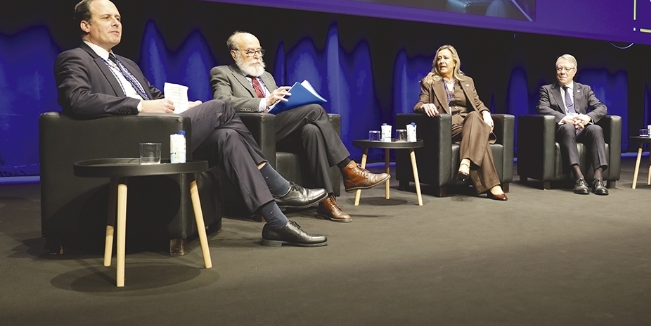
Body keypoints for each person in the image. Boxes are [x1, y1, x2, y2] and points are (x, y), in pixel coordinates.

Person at [55, 0, 329, 248]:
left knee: (227, 137)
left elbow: (156, 96)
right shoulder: (74, 58)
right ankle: (279, 186)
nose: (115, 23)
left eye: (118, 18)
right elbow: (77, 99)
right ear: (85, 25)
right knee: (221, 107)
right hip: (131, 143)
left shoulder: (128, 64)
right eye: (106, 18)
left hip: (163, 132)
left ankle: (277, 222)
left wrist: (184, 106)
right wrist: (140, 105)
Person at [210, 31, 390, 222]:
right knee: (314, 110)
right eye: (250, 52)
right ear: (234, 53)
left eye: (259, 51)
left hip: (277, 128)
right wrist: (264, 102)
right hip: (253, 133)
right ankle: (349, 169)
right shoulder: (222, 73)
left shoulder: (267, 77)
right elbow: (222, 102)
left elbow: (277, 108)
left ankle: (326, 201)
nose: (257, 56)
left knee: (311, 131)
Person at [413, 45, 507, 201]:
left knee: (474, 116)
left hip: (468, 126)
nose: (441, 61)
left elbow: (478, 104)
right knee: (477, 128)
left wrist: (486, 113)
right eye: (439, 58)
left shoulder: (467, 81)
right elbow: (418, 104)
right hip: (446, 128)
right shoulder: (429, 82)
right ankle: (493, 185)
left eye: (446, 58)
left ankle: (465, 162)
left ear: (455, 62)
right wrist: (425, 105)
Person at [537, 54, 610, 195]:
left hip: (582, 129)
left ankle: (598, 179)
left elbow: (602, 107)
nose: (562, 72)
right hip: (562, 130)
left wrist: (587, 117)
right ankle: (579, 178)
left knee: (596, 129)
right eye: (559, 69)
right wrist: (564, 118)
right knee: (568, 127)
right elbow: (542, 107)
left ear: (574, 71)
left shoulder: (584, 89)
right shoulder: (547, 89)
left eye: (566, 69)